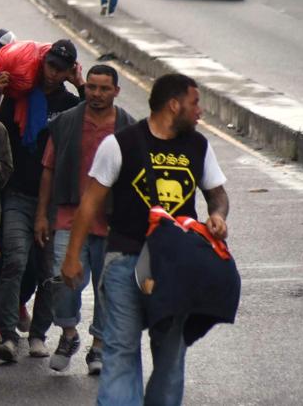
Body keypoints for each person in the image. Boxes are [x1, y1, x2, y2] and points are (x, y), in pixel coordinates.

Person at [62, 73, 230, 405]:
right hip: (124, 261)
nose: (200, 111)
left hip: (175, 267)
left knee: (170, 357)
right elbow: (90, 203)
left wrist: (218, 216)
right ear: (174, 104)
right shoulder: (120, 143)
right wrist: (72, 256)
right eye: (195, 103)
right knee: (120, 350)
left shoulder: (198, 146)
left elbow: (217, 194)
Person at [36, 64, 135, 375]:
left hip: (113, 222)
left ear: (117, 91)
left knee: (109, 288)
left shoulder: (130, 129)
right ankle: (68, 334)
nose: (97, 94)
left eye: (105, 88)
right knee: (63, 281)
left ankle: (99, 347)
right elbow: (48, 169)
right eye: (92, 87)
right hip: (69, 216)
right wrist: (41, 214)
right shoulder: (66, 123)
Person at [0, 39, 81, 364]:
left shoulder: (72, 104)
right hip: (18, 193)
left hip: (56, 203)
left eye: (61, 69)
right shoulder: (21, 97)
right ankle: (9, 335)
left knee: (50, 272)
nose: (53, 74)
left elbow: (91, 128)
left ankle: (39, 334)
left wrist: (82, 86)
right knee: (14, 261)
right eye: (50, 66)